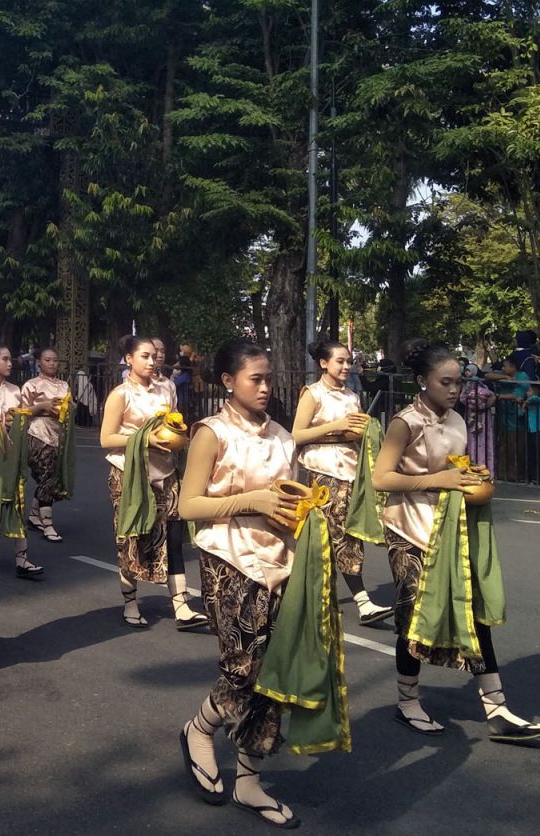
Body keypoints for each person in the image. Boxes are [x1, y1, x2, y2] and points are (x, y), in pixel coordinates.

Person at [373, 341, 540, 745]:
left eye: (458, 382)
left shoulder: (456, 419)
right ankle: (408, 702)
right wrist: (441, 480)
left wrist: (473, 472)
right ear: (422, 382)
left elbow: (454, 466)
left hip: (452, 528)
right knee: (414, 619)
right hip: (409, 530)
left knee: (474, 612)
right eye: (445, 382)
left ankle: (497, 709)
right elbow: (381, 478)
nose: (454, 390)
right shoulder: (404, 422)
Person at [177, 339, 300, 828]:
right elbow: (189, 506)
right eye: (256, 379)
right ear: (228, 381)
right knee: (243, 668)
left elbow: (286, 498)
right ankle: (199, 729)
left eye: (269, 378)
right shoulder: (212, 433)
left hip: (280, 560)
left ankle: (249, 781)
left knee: (274, 675)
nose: (266, 387)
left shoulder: (282, 436)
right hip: (228, 559)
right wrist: (253, 501)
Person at [100, 336, 208, 630]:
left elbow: (173, 423)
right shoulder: (120, 395)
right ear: (129, 360)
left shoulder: (167, 388)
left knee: (174, 534)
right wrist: (144, 439)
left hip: (166, 471)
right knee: (132, 538)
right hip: (129, 473)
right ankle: (130, 602)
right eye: (144, 356)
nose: (151, 361)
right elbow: (106, 438)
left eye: (154, 356)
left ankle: (181, 605)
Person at [291, 340, 393, 626]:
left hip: (351, 472)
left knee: (347, 532)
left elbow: (357, 433)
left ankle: (309, 596)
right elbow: (297, 435)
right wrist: (336, 428)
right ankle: (362, 600)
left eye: (348, 361)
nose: (346, 366)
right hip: (322, 471)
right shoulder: (313, 394)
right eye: (340, 361)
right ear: (324, 363)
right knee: (336, 534)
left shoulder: (351, 396)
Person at [0, 342, 44, 578]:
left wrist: (16, 422)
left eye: (10, 359)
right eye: (4, 359)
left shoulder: (14, 390)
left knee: (16, 501)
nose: (9, 363)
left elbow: (21, 421)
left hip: (12, 453)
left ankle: (22, 558)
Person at [20, 346, 71, 543]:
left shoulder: (64, 385)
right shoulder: (31, 385)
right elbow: (22, 412)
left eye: (55, 360)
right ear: (39, 362)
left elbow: (70, 407)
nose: (52, 363)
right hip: (38, 434)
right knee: (46, 476)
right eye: (47, 360)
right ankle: (48, 524)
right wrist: (42, 407)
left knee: (49, 477)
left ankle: (34, 515)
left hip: (58, 435)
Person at [458, 363, 496, 474]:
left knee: (483, 440)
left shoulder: (481, 384)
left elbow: (490, 396)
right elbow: (463, 398)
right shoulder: (466, 384)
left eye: (469, 371)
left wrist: (483, 405)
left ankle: (484, 466)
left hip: (482, 416)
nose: (466, 373)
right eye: (466, 371)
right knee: (471, 440)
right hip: (471, 414)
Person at [524, 383, 540, 485]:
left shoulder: (539, 401)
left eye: (529, 391)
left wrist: (526, 401)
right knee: (532, 454)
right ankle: (532, 476)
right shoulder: (529, 404)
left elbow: (536, 399)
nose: (527, 393)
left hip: (539, 429)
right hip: (531, 429)